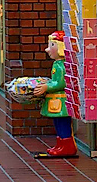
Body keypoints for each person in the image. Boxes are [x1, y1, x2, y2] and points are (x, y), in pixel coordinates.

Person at [32, 31, 77, 159]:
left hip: (61, 100)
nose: (48, 49)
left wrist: (47, 86)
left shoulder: (61, 66)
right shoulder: (57, 64)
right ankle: (60, 144)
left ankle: (67, 145)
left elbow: (61, 83)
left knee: (62, 122)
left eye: (52, 45)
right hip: (56, 100)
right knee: (57, 122)